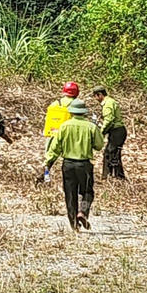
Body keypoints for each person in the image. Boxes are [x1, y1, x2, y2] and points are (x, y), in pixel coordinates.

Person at [43, 99, 104, 231]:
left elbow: (55, 147)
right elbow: (99, 146)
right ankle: (83, 212)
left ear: (71, 112)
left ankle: (74, 224)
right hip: (84, 164)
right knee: (87, 191)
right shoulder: (91, 127)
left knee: (70, 194)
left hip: (68, 164)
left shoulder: (64, 126)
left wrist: (48, 163)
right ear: (84, 113)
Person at [94, 86, 126, 179]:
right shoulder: (110, 101)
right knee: (113, 153)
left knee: (110, 154)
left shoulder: (107, 104)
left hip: (117, 131)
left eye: (96, 96)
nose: (96, 99)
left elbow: (109, 120)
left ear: (99, 95)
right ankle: (117, 176)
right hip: (118, 131)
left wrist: (101, 132)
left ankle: (109, 177)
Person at [44, 82, 78, 153]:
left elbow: (47, 118)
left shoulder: (55, 103)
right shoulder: (77, 104)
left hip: (53, 133)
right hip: (68, 136)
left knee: (49, 153)